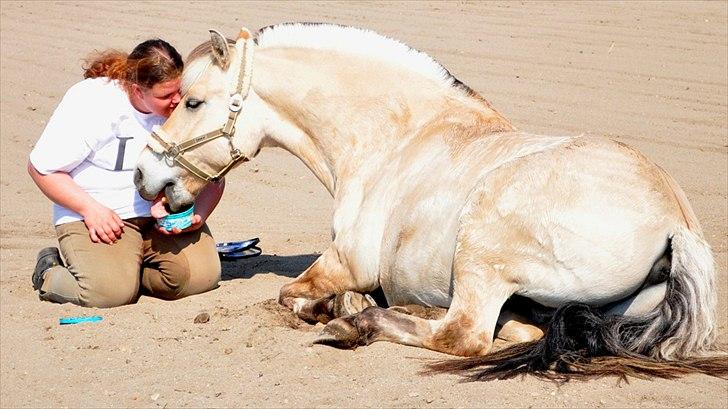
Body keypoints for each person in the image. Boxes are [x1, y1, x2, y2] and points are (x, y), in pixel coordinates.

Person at [27, 39, 223, 308]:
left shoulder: (188, 105)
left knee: (201, 278)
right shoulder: (93, 101)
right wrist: (90, 209)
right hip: (99, 217)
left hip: (160, 220)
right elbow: (41, 169)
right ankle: (50, 273)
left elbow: (215, 175)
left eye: (179, 90)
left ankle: (126, 270)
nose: (176, 100)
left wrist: (198, 214)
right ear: (137, 90)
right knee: (107, 295)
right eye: (165, 96)